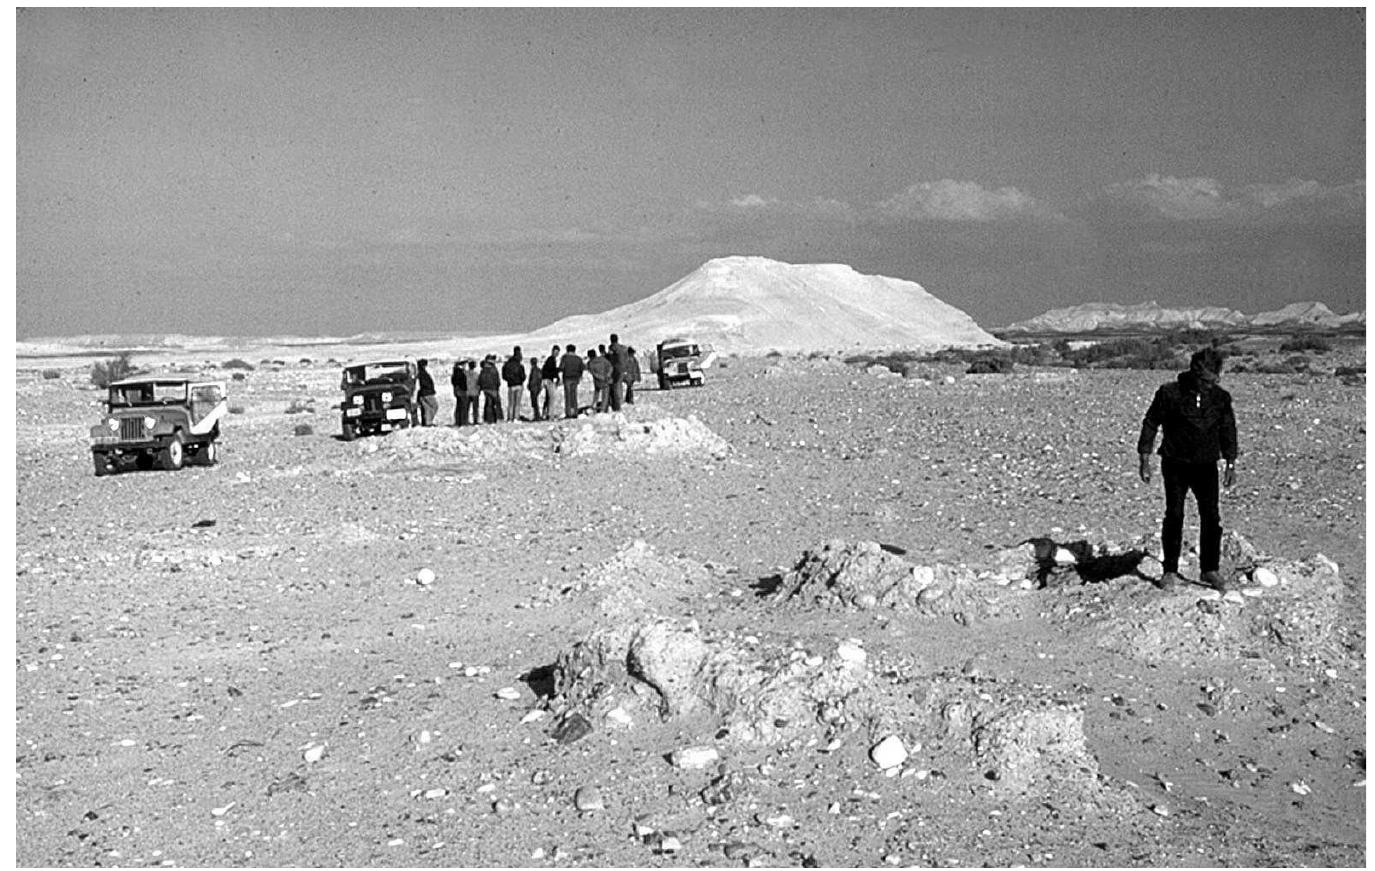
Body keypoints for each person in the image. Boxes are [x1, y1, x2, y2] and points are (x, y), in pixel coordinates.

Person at [1137, 347, 1238, 592]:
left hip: (1206, 465)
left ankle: (1210, 569)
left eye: (1214, 379)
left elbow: (1228, 429)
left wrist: (1231, 462)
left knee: (1211, 516)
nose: (1210, 385)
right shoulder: (1169, 394)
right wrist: (1144, 458)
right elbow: (1151, 422)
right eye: (1206, 380)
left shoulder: (1221, 398)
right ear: (1194, 374)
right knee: (1174, 514)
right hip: (1175, 463)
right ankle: (1169, 570)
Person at [560, 343, 585, 418]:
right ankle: (575, 412)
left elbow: (561, 367)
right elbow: (582, 368)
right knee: (574, 396)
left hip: (567, 378)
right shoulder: (578, 359)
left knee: (568, 396)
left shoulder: (565, 357)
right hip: (575, 378)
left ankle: (568, 413)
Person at [501, 347, 525, 423]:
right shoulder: (519, 364)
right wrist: (521, 380)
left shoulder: (507, 364)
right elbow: (523, 375)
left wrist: (509, 380)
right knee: (517, 403)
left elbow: (504, 375)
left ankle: (510, 418)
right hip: (519, 384)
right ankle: (516, 417)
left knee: (511, 403)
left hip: (511, 385)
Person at [607, 333, 629, 411]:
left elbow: (610, 358)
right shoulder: (623, 348)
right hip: (623, 368)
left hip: (616, 369)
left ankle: (617, 403)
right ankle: (621, 400)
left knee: (615, 386)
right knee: (620, 385)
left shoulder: (612, 348)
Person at [587, 347, 613, 413]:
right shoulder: (603, 359)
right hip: (606, 380)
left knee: (596, 394)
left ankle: (594, 405)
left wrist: (600, 377)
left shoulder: (590, 363)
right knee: (605, 396)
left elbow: (593, 373)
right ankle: (603, 409)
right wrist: (608, 375)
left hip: (597, 381)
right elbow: (610, 367)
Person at [478, 355, 502, 423]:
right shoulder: (493, 369)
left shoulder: (483, 370)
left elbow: (481, 379)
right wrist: (497, 386)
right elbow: (497, 379)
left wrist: (481, 387)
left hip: (486, 389)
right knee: (495, 404)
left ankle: (488, 418)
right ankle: (495, 418)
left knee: (488, 403)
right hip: (493, 388)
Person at [416, 359, 439, 426]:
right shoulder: (423, 373)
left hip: (424, 393)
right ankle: (428, 421)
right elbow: (425, 383)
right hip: (427, 393)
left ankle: (427, 422)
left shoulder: (420, 373)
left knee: (427, 408)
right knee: (434, 406)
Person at [541, 345, 561, 421]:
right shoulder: (551, 360)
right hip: (549, 380)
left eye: (557, 352)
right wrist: (557, 372)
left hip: (547, 380)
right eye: (555, 352)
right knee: (552, 398)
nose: (556, 354)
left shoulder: (550, 360)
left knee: (548, 398)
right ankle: (550, 415)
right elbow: (551, 370)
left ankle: (545, 413)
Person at [464, 359, 481, 426]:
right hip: (475, 392)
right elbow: (479, 383)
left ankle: (466, 420)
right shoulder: (476, 374)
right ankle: (475, 420)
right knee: (475, 408)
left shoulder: (466, 373)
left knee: (467, 408)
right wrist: (479, 390)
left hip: (467, 392)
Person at [527, 354, 544, 421]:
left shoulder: (534, 370)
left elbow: (533, 380)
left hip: (534, 388)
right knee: (535, 402)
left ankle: (537, 416)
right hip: (537, 387)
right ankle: (537, 415)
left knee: (534, 403)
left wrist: (530, 386)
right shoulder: (538, 370)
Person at [450, 361, 467, 426]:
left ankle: (458, 420)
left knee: (459, 406)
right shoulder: (460, 373)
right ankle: (462, 421)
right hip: (461, 390)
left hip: (458, 391)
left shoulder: (455, 372)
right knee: (463, 406)